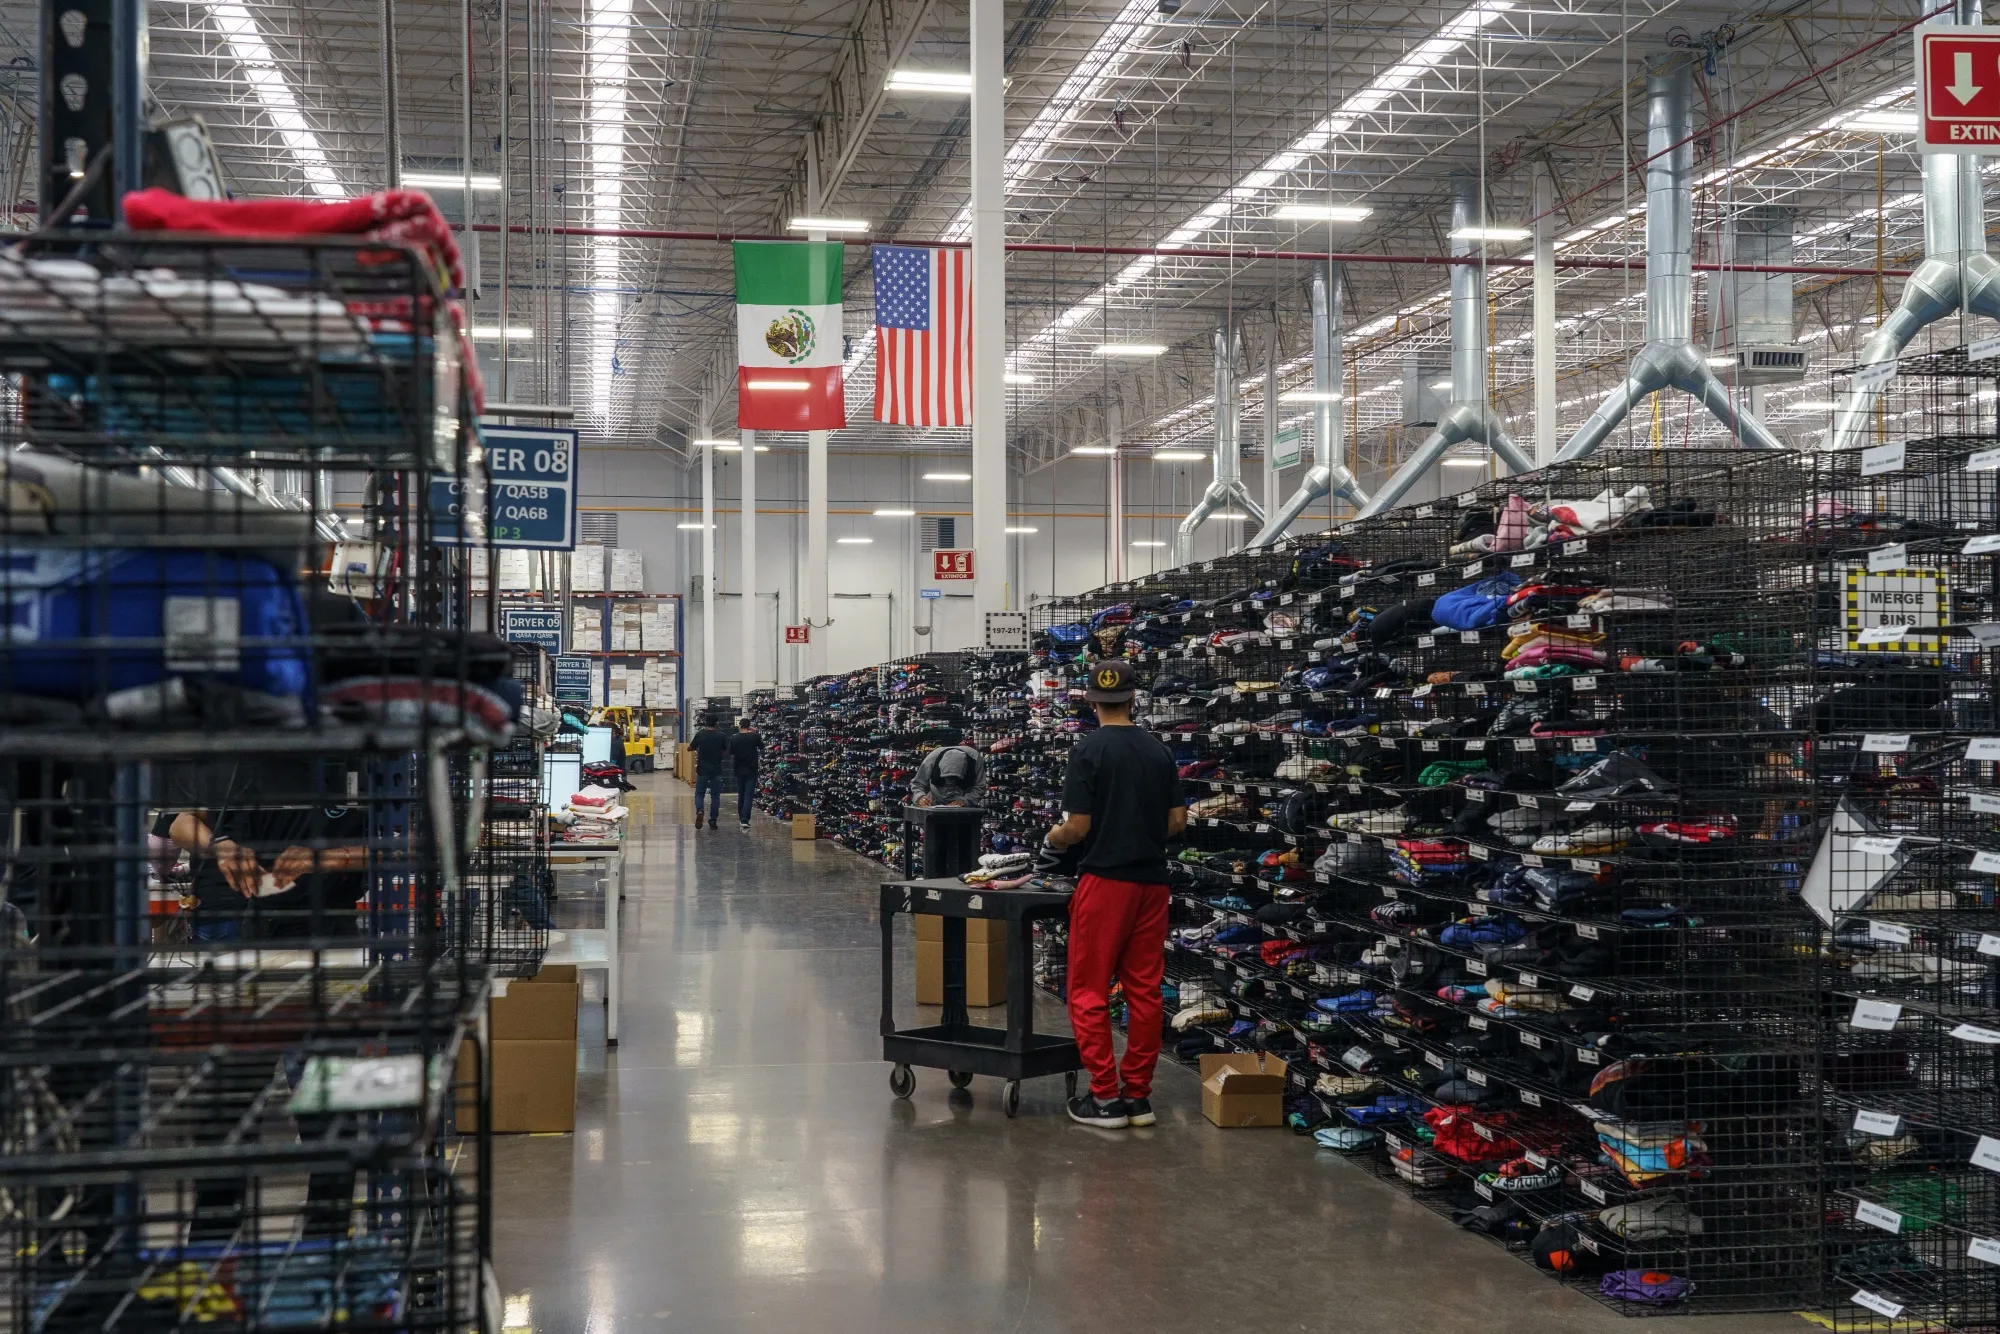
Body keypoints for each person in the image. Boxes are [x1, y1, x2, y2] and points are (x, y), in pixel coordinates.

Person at [1046, 659, 1186, 1129]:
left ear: (1090, 700)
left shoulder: (1088, 751)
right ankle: (1138, 1099)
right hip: (1153, 882)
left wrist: (1054, 837)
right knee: (1144, 990)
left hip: (1106, 882)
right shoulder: (1158, 751)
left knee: (1087, 988)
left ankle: (1104, 1098)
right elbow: (1178, 822)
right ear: (1134, 698)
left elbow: (1078, 826)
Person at [155, 759, 370, 941]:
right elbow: (181, 824)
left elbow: (400, 849)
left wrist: (329, 857)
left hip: (331, 917)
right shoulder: (250, 766)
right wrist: (222, 846)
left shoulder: (361, 767)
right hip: (254, 917)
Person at [909, 743, 985, 807]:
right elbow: (917, 783)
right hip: (933, 803)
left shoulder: (975, 759)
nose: (950, 782)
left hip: (963, 808)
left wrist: (965, 801)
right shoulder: (931, 760)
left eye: (954, 778)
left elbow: (980, 787)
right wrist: (920, 797)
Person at [689, 715, 730, 830]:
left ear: (706, 723)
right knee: (715, 795)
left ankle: (700, 810)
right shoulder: (722, 735)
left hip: (702, 770)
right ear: (716, 723)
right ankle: (713, 820)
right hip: (716, 770)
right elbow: (727, 750)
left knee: (699, 794)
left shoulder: (701, 734)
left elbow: (690, 747)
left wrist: (697, 748)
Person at [728, 717, 762, 829]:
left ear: (740, 726)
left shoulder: (734, 738)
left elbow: (731, 752)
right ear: (749, 726)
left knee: (741, 794)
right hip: (752, 769)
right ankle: (745, 819)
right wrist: (755, 733)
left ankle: (741, 817)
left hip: (739, 769)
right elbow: (762, 747)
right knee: (749, 794)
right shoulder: (755, 737)